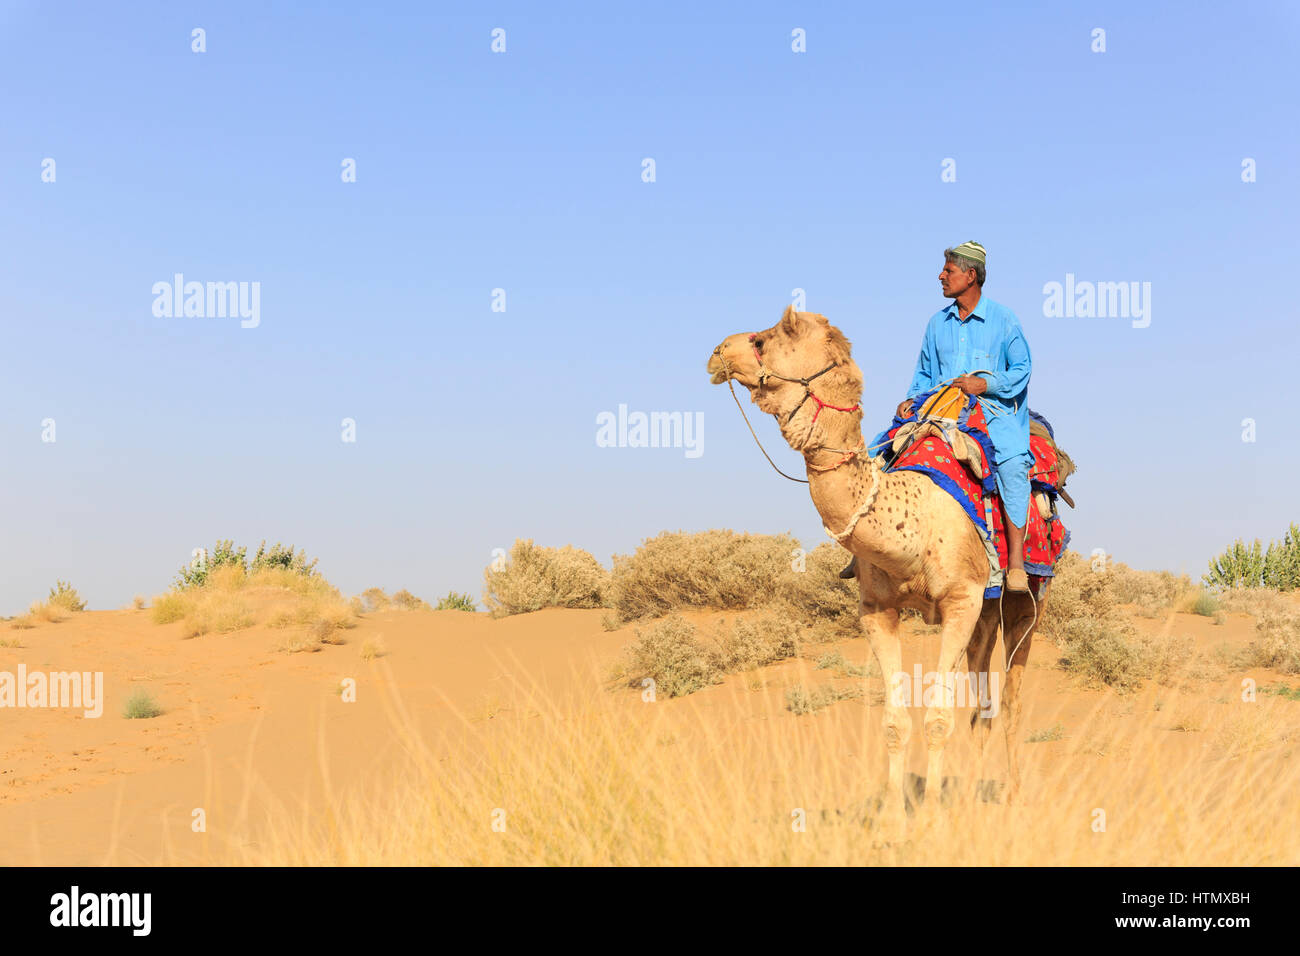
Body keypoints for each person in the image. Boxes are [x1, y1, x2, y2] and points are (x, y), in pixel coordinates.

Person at [841, 241, 1034, 592]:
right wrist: (911, 400)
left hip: (991, 413)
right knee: (878, 452)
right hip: (938, 409)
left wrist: (984, 383)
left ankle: (1017, 563)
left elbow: (1023, 369)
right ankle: (864, 548)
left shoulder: (1004, 320)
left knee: (1012, 464)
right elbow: (924, 374)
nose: (941, 276)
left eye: (949, 271)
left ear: (971, 275)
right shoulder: (936, 323)